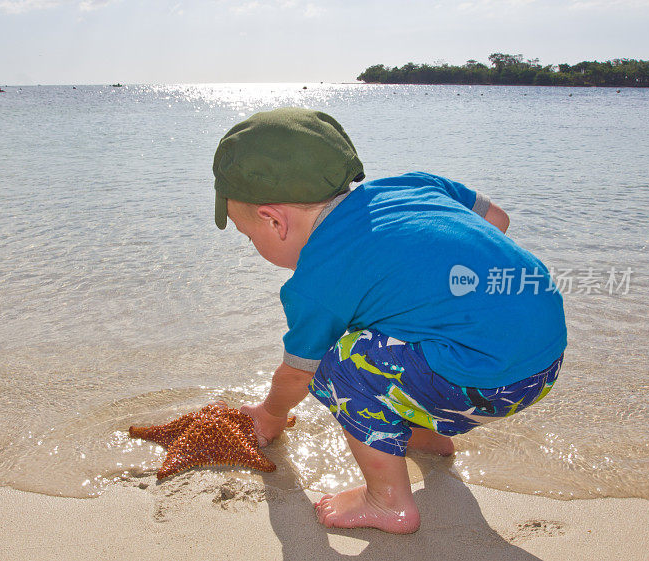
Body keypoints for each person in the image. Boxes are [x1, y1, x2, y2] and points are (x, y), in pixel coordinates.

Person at [212, 107, 566, 534]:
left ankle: (387, 502)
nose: (254, 246)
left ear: (274, 220)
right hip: (545, 357)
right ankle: (429, 439)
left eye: (250, 237)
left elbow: (298, 374)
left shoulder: (316, 281)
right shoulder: (413, 185)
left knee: (340, 366)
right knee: (396, 331)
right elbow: (498, 221)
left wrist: (269, 416)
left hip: (490, 381)